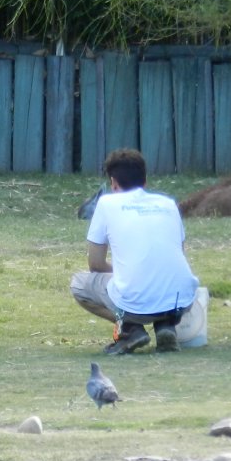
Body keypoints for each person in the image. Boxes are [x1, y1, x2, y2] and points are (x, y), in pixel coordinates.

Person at [71, 148, 198, 354]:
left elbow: (95, 264)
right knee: (159, 279)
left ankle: (131, 329)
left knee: (79, 284)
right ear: (145, 180)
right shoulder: (167, 204)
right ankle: (165, 326)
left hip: (135, 301)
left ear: (113, 182)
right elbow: (178, 253)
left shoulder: (106, 204)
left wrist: (123, 271)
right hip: (181, 301)